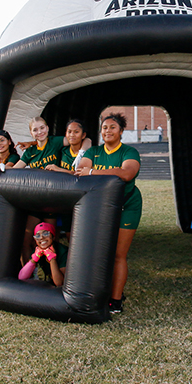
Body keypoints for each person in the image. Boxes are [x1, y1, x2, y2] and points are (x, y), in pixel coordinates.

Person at [76, 113, 141, 314]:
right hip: (100, 207)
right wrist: (96, 170)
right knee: (100, 253)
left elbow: (126, 173)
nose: (108, 131)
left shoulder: (129, 151)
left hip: (126, 206)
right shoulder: (94, 151)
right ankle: (101, 291)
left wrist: (94, 172)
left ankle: (116, 299)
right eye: (104, 128)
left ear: (121, 131)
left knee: (118, 255)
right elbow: (80, 169)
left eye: (113, 127)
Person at [12, 117, 92, 257]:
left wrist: (81, 154)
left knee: (51, 241)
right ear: (31, 133)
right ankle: (31, 273)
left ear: (47, 128)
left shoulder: (55, 142)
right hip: (36, 200)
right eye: (35, 130)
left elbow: (85, 140)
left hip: (53, 201)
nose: (40, 132)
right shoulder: (30, 151)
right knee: (27, 239)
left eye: (42, 128)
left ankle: (53, 273)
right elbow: (14, 170)